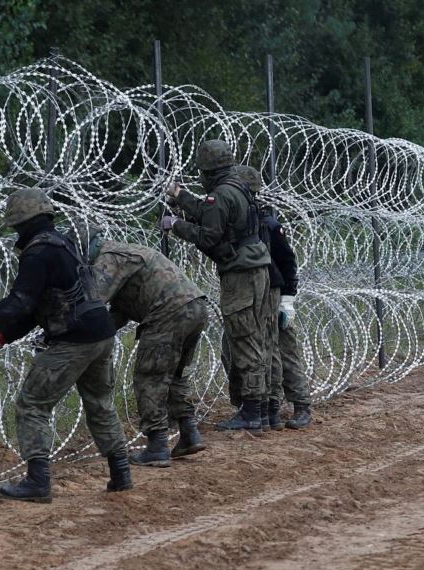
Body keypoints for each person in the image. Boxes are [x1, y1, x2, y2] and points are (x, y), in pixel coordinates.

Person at [0, 188, 130, 501]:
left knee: (33, 404)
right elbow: (43, 307)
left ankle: (38, 482)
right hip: (101, 333)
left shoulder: (38, 253)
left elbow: (19, 302)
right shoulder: (65, 245)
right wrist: (2, 337)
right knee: (100, 402)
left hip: (75, 339)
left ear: (20, 222)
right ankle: (121, 473)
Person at [163, 139, 271, 431]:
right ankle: (259, 409)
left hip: (241, 275)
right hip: (256, 268)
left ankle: (252, 412)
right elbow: (210, 212)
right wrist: (181, 196)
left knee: (243, 339)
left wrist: (175, 226)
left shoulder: (221, 194)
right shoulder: (236, 187)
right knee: (254, 337)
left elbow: (209, 235)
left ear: (207, 170)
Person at [86, 224, 210, 466]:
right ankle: (189, 433)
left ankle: (157, 445)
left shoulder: (108, 259)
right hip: (194, 307)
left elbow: (95, 303)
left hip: (168, 313)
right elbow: (118, 312)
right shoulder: (126, 252)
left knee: (149, 378)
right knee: (175, 376)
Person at [232, 165, 313, 430]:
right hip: (254, 294)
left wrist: (288, 298)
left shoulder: (268, 224)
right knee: (263, 353)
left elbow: (287, 261)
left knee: (285, 351)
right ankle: (269, 408)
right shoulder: (242, 221)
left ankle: (301, 407)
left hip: (274, 293)